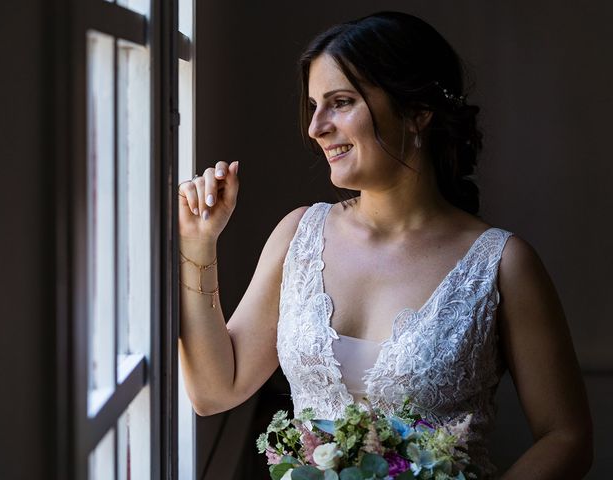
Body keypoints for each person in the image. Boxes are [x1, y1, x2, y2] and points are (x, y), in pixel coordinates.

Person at [177, 11, 592, 479]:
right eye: (313, 106)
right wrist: (199, 242)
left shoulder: (502, 264)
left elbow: (568, 437)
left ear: (417, 111)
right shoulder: (299, 234)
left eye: (340, 102)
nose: (316, 127)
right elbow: (214, 390)